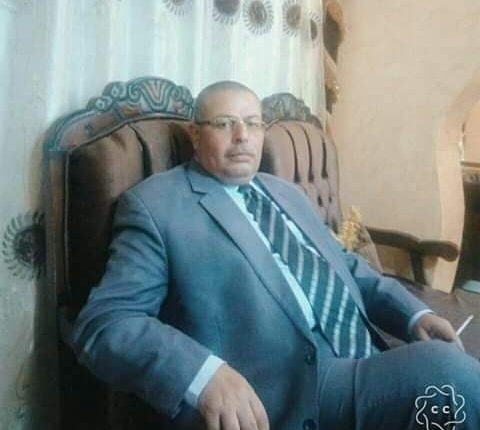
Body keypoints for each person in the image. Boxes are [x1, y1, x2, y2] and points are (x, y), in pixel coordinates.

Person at [68, 81, 480, 430]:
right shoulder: (156, 205)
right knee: (447, 374)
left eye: (252, 123)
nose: (242, 136)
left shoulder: (285, 192)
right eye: (224, 124)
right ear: (195, 134)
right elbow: (106, 323)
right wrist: (203, 373)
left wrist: (414, 315)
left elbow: (346, 266)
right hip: (290, 389)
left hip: (362, 352)